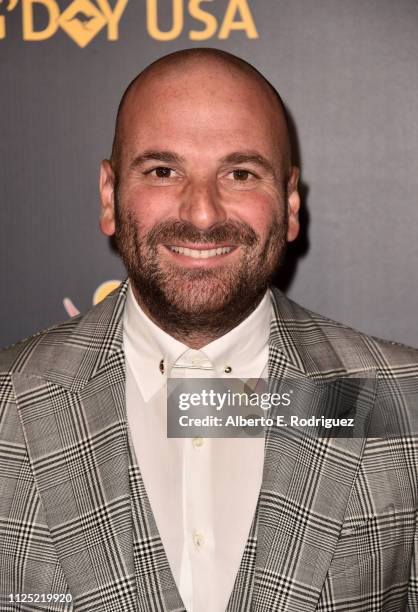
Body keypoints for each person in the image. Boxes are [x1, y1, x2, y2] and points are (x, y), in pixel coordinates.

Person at [0, 48, 417, 612]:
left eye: (240, 173)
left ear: (289, 203)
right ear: (109, 195)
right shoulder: (9, 402)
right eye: (162, 171)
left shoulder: (404, 401)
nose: (201, 214)